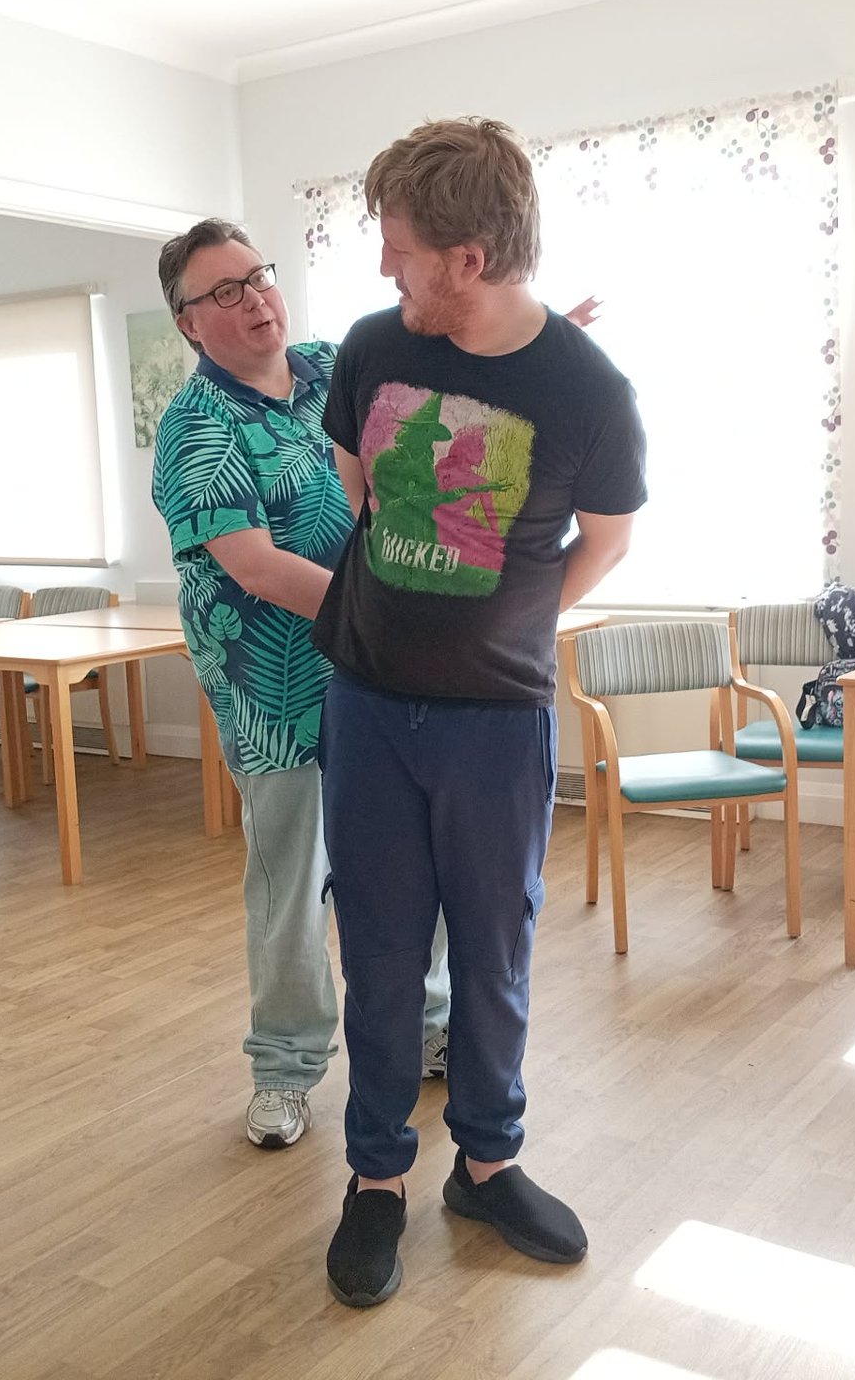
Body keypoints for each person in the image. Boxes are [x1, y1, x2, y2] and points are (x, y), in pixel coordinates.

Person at [312, 118, 647, 1307]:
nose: (382, 269)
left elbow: (605, 538)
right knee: (385, 954)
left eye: (398, 247)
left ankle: (488, 1165)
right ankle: (377, 1181)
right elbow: (359, 495)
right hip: (364, 706)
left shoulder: (589, 392)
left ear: (466, 255)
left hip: (498, 723)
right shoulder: (368, 351)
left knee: (496, 955)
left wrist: (514, 617)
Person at [149, 219, 453, 1151]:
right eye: (223, 293)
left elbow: (442, 362)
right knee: (295, 880)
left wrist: (545, 329)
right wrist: (385, 616)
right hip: (274, 691)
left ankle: (429, 1026)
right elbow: (257, 567)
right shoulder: (195, 428)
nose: (254, 301)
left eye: (258, 277)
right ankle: (284, 1068)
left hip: (377, 664)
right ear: (190, 324)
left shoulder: (329, 371)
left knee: (409, 861)